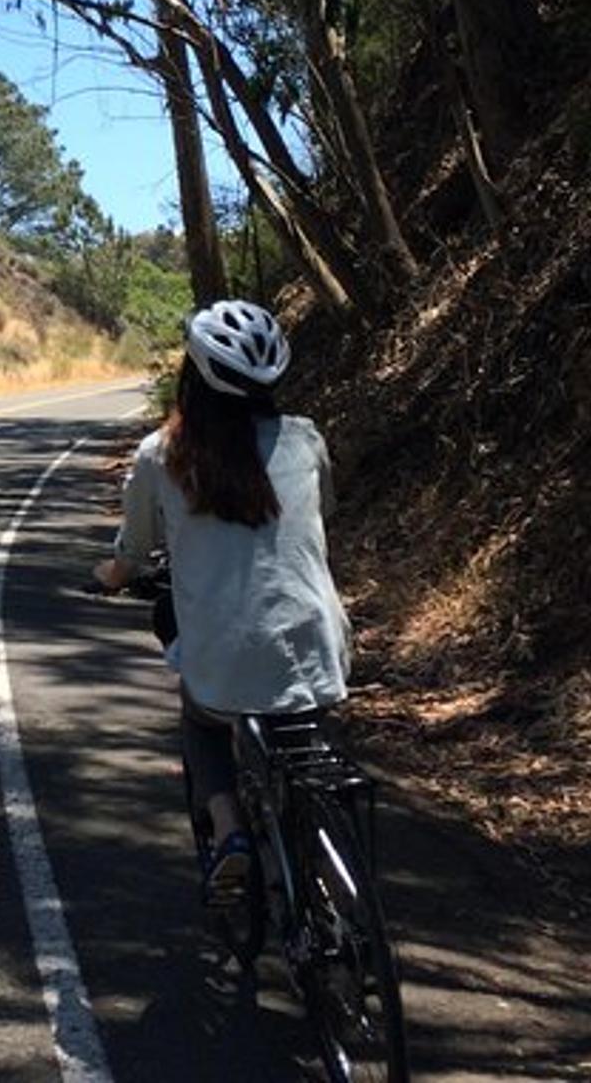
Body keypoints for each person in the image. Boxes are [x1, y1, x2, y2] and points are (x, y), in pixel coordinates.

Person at [93, 300, 352, 904]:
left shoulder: (162, 455)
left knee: (201, 718)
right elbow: (324, 514)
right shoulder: (305, 439)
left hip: (224, 662)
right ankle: (327, 860)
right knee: (306, 726)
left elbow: (133, 550)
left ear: (194, 376)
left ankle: (232, 833)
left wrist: (111, 575)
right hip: (319, 644)